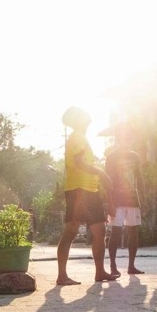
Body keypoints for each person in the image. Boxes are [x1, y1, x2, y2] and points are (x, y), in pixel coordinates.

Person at [57, 106, 114, 285]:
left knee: (100, 230)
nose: (87, 115)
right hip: (79, 190)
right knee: (71, 231)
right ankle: (62, 276)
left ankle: (100, 272)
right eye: (82, 114)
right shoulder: (77, 137)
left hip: (89, 190)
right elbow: (79, 163)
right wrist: (102, 173)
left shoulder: (80, 137)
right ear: (78, 120)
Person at [103, 121, 146, 275]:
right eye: (122, 136)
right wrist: (110, 202)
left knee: (133, 234)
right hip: (117, 201)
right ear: (117, 138)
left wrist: (144, 199)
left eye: (128, 136)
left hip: (133, 200)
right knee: (115, 233)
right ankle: (113, 266)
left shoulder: (135, 156)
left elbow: (140, 179)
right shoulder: (111, 157)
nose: (126, 139)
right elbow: (107, 181)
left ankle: (131, 266)